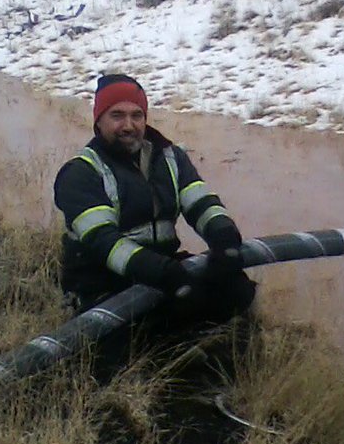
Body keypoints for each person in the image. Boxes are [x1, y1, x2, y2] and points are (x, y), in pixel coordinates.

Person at [53, 73, 256, 323]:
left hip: (161, 269)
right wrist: (166, 274)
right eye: (117, 115)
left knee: (236, 290)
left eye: (136, 115)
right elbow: (104, 243)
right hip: (102, 284)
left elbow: (203, 205)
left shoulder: (170, 156)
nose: (128, 125)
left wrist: (225, 239)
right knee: (152, 333)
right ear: (99, 121)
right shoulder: (81, 172)